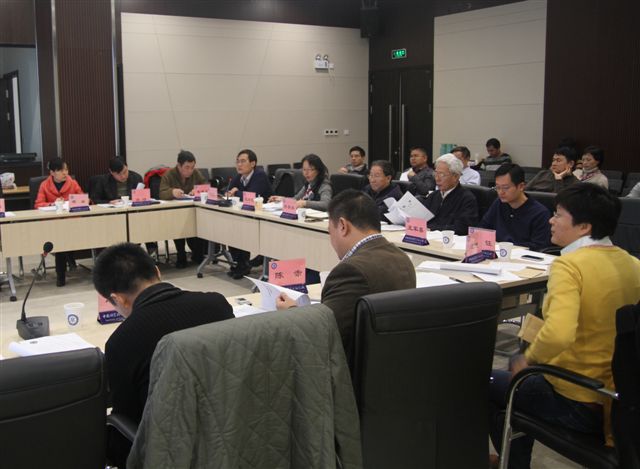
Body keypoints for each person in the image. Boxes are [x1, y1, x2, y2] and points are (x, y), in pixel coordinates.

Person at [488, 184, 640, 468]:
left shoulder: (569, 266)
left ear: (584, 226)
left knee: (486, 382)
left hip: (577, 397)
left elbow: (559, 333)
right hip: (619, 400)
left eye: (558, 214)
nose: (550, 220)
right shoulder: (633, 264)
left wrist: (528, 359)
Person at [93, 242, 234, 468]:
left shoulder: (122, 341)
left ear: (118, 299)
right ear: (158, 272)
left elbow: (127, 419)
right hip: (231, 433)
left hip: (171, 452)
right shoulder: (217, 304)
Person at [276, 189, 416, 362]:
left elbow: (323, 334)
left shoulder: (351, 270)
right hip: (390, 362)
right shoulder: (402, 258)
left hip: (351, 368)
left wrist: (291, 311)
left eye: (330, 232)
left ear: (342, 226)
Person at [34, 157, 84, 287]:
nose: (65, 173)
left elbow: (83, 200)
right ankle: (61, 274)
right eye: (61, 170)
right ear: (52, 172)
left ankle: (64, 268)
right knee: (60, 240)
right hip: (52, 223)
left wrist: (70, 203)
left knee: (65, 237)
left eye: (66, 169)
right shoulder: (44, 185)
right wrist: (52, 204)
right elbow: (38, 204)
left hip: (72, 222)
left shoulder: (73, 183)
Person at [480, 164, 551, 251]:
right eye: (497, 187)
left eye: (505, 188)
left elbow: (539, 246)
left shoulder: (540, 213)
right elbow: (483, 228)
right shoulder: (498, 203)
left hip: (523, 257)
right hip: (497, 254)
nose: (500, 192)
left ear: (521, 186)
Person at [226, 149, 273, 279]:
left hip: (264, 217)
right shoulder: (239, 176)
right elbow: (228, 190)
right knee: (233, 225)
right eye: (237, 162)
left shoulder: (260, 175)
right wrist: (231, 192)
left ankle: (244, 264)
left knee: (241, 227)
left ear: (253, 163)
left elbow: (253, 196)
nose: (239, 165)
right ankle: (240, 263)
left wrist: (236, 192)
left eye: (243, 161)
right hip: (247, 214)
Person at [159, 150, 207, 268]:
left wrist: (198, 190)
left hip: (192, 212)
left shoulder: (195, 173)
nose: (190, 170)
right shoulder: (169, 174)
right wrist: (172, 192)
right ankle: (181, 254)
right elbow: (161, 193)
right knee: (177, 226)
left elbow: (206, 186)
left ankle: (197, 253)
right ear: (179, 166)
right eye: (187, 167)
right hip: (175, 212)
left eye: (192, 167)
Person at [419, 153, 478, 235]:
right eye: (436, 173)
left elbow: (462, 228)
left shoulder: (467, 198)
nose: (437, 178)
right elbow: (422, 220)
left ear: (456, 177)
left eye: (442, 174)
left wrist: (431, 228)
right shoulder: (433, 196)